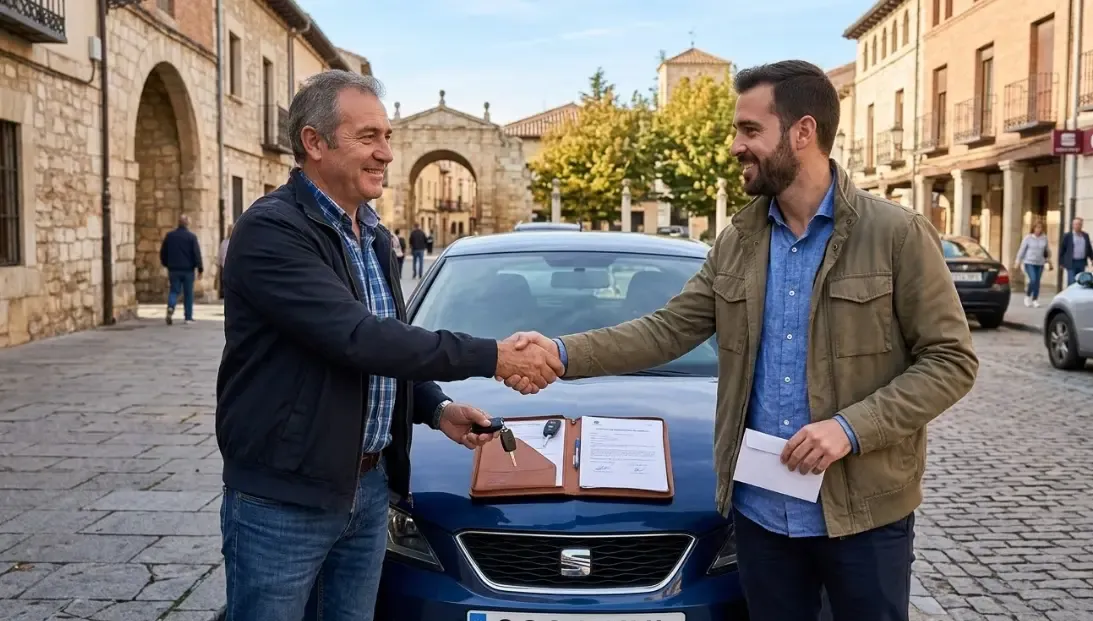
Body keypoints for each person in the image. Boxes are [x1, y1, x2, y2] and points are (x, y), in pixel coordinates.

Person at [499, 60, 978, 621]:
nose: (734, 146)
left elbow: (950, 362)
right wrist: (559, 353)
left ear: (803, 132)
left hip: (863, 517)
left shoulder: (895, 234)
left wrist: (849, 430)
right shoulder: (739, 240)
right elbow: (669, 328)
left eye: (750, 130)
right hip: (760, 518)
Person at [216, 70, 563, 621]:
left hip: (369, 488)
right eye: (368, 137)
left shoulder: (372, 235)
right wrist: (494, 356)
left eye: (388, 137)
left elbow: (385, 354)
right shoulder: (272, 232)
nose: (385, 154)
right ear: (314, 142)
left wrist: (435, 407)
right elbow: (357, 338)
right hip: (287, 495)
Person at [159, 213, 203, 325]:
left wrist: (166, 264)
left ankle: (170, 307)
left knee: (174, 290)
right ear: (187, 224)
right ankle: (188, 317)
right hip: (188, 270)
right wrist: (200, 268)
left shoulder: (170, 236)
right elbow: (196, 253)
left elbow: (163, 252)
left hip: (173, 269)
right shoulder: (191, 237)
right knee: (188, 293)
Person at [1014, 220, 1050, 307]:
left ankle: (1035, 300)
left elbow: (1047, 251)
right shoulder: (1028, 238)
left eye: (1040, 228)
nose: (1038, 229)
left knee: (1037, 282)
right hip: (1029, 262)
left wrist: (1048, 260)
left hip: (1040, 263)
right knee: (1033, 280)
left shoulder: (1044, 238)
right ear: (1033, 228)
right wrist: (1017, 261)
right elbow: (1022, 250)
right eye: (1037, 227)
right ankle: (1027, 296)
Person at [1059, 217, 1093, 285]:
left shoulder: (1085, 235)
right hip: (1071, 262)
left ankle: (1076, 295)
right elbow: (1062, 250)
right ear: (1073, 225)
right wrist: (1061, 262)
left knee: (1080, 281)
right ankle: (1069, 295)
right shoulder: (1068, 236)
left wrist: (1092, 258)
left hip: (1081, 262)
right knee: (1071, 281)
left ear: (1082, 225)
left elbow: (1089, 248)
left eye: (1079, 224)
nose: (1077, 226)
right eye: (1076, 224)